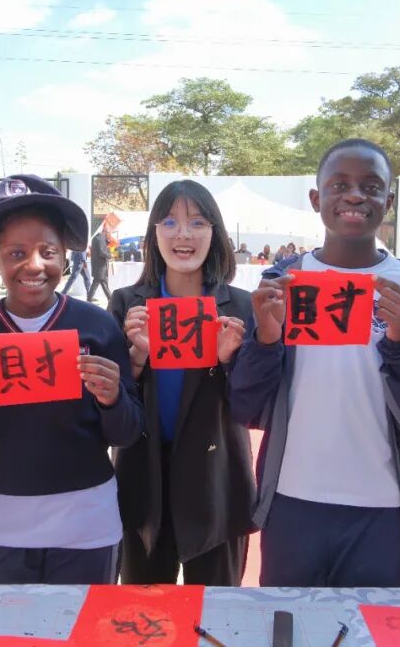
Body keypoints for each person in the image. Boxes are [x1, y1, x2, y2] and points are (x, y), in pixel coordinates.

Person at [230, 138, 400, 588]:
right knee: (291, 622)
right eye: (339, 185)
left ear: (387, 203)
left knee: (373, 623)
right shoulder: (280, 285)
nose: (354, 196)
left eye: (371, 187)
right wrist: (266, 340)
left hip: (384, 510)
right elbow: (246, 408)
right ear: (316, 199)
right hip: (292, 503)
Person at [0, 174, 143, 585]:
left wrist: (112, 399)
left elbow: (127, 433)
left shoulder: (98, 326)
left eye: (48, 252)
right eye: (16, 253)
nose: (33, 266)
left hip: (86, 522)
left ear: (65, 257)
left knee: (81, 621)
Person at [109, 180, 254, 587]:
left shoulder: (241, 307)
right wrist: (136, 359)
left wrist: (230, 362)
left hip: (217, 484)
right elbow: (110, 405)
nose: (183, 234)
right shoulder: (127, 304)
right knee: (143, 610)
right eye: (170, 222)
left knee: (216, 610)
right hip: (144, 483)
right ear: (154, 233)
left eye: (197, 223)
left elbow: (254, 405)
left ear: (215, 234)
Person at [88, 226, 113, 303]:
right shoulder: (100, 239)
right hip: (100, 266)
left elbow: (101, 247)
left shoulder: (97, 238)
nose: (109, 234)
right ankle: (110, 299)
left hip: (98, 266)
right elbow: (102, 252)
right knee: (101, 282)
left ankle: (90, 298)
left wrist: (108, 241)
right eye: (109, 233)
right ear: (105, 232)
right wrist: (110, 256)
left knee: (98, 282)